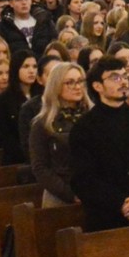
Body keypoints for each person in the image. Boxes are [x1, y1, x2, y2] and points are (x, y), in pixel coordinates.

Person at [28, 63, 90, 205]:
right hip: (60, 195)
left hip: (94, 191)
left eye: (80, 81)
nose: (77, 86)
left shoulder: (93, 117)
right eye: (70, 82)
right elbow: (40, 168)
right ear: (56, 86)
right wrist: (70, 194)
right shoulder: (43, 124)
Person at [0, 51, 40, 163]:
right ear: (15, 69)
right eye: (25, 66)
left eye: (34, 66)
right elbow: (2, 136)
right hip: (17, 159)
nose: (31, 71)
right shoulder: (2, 101)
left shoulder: (42, 96)